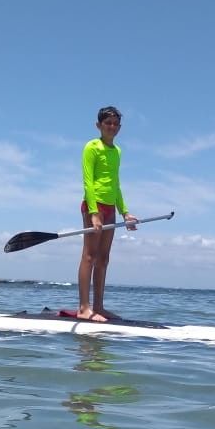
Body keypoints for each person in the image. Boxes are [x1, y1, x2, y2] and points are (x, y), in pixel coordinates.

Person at [77, 106, 138, 321]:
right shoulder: (91, 147)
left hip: (111, 207)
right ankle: (84, 308)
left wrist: (125, 213)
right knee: (90, 255)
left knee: (104, 258)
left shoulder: (117, 151)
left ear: (119, 127)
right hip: (94, 206)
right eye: (107, 123)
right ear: (99, 125)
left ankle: (99, 307)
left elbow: (116, 184)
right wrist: (93, 212)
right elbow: (88, 181)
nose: (111, 127)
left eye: (115, 124)